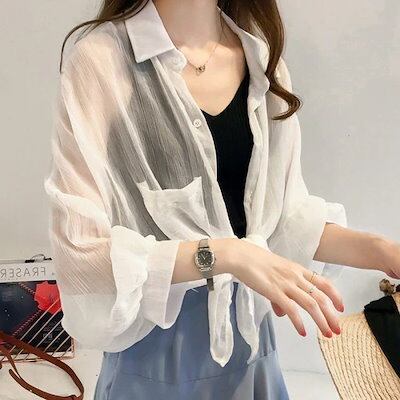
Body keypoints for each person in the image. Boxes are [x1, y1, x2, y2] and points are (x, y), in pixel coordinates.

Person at [43, 0, 400, 398]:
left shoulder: (261, 60)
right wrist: (226, 255)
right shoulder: (101, 61)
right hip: (156, 359)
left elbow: (283, 223)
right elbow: (80, 258)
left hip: (251, 353)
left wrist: (382, 251)